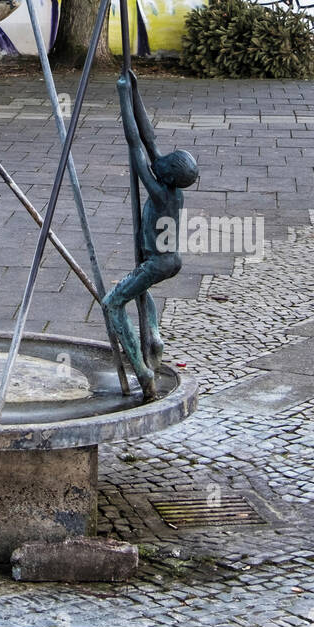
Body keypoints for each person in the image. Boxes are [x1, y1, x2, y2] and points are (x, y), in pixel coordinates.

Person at [103, 72, 199, 400]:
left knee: (113, 303)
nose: (161, 159)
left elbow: (135, 144)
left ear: (170, 173)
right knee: (141, 290)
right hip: (169, 259)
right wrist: (135, 93)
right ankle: (154, 337)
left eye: (167, 162)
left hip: (159, 261)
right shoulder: (172, 189)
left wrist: (121, 98)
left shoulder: (159, 191)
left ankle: (143, 373)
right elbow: (149, 137)